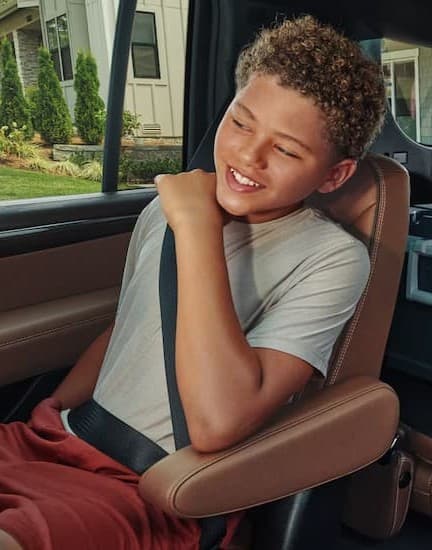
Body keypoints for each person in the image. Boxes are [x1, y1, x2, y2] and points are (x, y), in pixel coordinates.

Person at [0, 15, 386, 550]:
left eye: (288, 150)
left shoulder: (332, 259)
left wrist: (198, 228)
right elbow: (129, 331)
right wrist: (49, 422)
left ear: (334, 175)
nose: (249, 155)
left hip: (155, 491)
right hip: (58, 440)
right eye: (242, 122)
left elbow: (216, 424)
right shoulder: (166, 211)